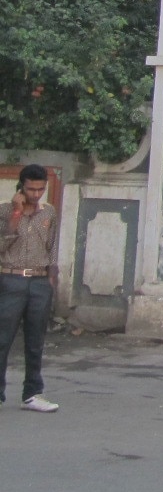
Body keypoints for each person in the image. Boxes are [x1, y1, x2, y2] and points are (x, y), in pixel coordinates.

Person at [0, 164, 60, 412]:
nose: (36, 194)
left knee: (36, 341)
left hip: (39, 281)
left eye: (41, 189)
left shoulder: (49, 213)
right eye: (31, 189)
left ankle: (33, 392)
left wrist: (51, 279)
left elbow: (53, 246)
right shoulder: (5, 210)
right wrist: (16, 212)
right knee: (3, 339)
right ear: (21, 187)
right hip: (11, 279)